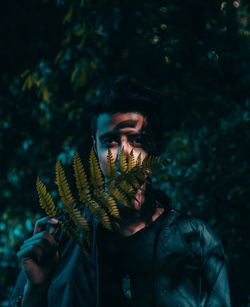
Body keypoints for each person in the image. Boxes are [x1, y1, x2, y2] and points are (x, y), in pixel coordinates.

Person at [10, 77, 231, 306]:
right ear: (95, 147)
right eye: (110, 141)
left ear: (155, 146)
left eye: (137, 140)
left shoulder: (198, 242)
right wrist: (35, 289)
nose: (123, 154)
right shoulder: (60, 240)